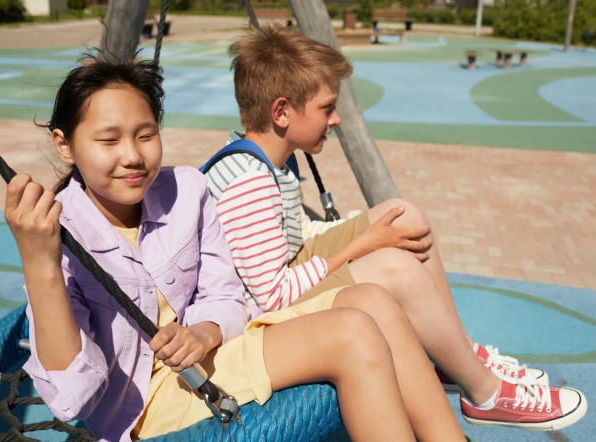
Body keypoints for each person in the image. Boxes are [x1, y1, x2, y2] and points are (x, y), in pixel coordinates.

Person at [3, 50, 471, 441]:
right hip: (147, 406)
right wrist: (40, 262)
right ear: (65, 145)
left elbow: (226, 296)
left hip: (212, 354)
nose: (132, 156)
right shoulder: (55, 236)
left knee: (373, 301)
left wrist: (204, 332)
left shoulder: (186, 190)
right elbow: (72, 398)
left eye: (146, 135)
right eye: (108, 140)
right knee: (353, 334)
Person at [203, 25, 588, 431]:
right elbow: (271, 297)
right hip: (258, 316)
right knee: (394, 268)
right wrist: (362, 244)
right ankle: (485, 393)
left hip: (284, 276)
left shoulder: (273, 160)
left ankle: (457, 353)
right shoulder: (249, 182)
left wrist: (358, 228)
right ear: (281, 112)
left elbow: (291, 238)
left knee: (403, 216)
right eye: (327, 107)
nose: (336, 119)